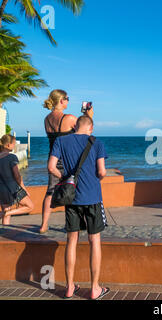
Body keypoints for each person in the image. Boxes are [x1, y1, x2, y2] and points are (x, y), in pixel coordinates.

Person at [48, 115, 109, 300]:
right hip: (92, 197)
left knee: (72, 240)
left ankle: (69, 287)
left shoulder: (61, 140)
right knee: (94, 241)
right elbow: (102, 172)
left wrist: (65, 178)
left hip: (71, 198)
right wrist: (96, 179)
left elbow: (51, 167)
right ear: (90, 127)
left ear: (75, 127)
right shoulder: (96, 142)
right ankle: (95, 288)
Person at [40, 89, 93, 234]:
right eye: (67, 98)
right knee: (73, 191)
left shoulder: (47, 119)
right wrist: (88, 115)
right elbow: (85, 128)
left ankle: (44, 225)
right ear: (61, 100)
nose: (68, 101)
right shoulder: (69, 118)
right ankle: (73, 224)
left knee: (50, 192)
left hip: (53, 158)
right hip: (70, 160)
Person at [0, 134, 34, 224]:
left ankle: (4, 233)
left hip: (1, 189)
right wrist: (24, 189)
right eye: (13, 144)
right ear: (8, 145)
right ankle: (5, 213)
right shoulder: (12, 157)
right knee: (30, 206)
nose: (14, 146)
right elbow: (17, 176)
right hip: (13, 188)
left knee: (6, 213)